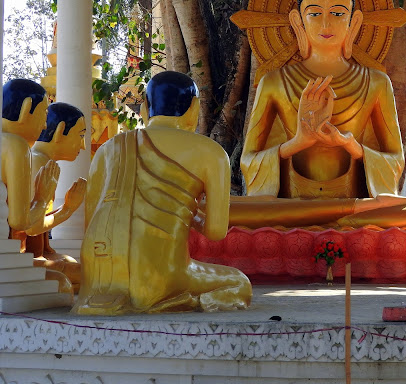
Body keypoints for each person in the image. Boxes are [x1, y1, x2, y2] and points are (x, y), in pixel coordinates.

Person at [233, 0, 406, 230]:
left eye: (337, 13)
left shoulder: (376, 82)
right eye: (314, 14)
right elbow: (249, 160)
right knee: (219, 212)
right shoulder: (275, 82)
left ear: (354, 21)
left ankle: (345, 218)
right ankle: (347, 224)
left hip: (355, 204)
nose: (326, 24)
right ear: (298, 21)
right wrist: (298, 142)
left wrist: (350, 145)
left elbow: (394, 158)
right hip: (293, 206)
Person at [73, 71, 251, 315]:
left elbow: (89, 220)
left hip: (98, 274)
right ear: (194, 108)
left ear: (145, 107)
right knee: (239, 282)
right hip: (160, 274)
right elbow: (216, 232)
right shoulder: (211, 152)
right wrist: (191, 213)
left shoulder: (109, 148)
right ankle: (175, 299)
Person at [2, 79, 73, 295]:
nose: (44, 126)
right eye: (43, 116)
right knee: (64, 285)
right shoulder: (15, 146)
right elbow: (21, 222)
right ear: (26, 110)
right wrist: (43, 199)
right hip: (5, 264)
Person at [12, 102, 87, 291]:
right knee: (92, 274)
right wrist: (68, 210)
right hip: (20, 256)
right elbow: (31, 227)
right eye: (81, 135)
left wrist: (65, 208)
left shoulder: (42, 160)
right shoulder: (37, 162)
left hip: (34, 254)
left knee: (72, 264)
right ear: (61, 130)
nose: (84, 145)